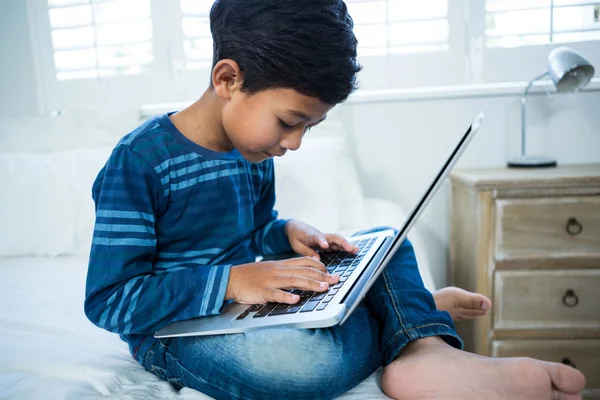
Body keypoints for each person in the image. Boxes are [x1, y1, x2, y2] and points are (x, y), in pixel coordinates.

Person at [84, 1, 586, 399]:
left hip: (244, 308)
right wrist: (234, 279)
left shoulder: (250, 150)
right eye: (289, 121)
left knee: (384, 241)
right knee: (307, 367)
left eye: (310, 126)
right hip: (175, 335)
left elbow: (254, 229)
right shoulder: (139, 163)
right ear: (228, 80)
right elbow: (109, 300)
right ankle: (409, 318)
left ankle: (425, 348)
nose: (295, 143)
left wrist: (284, 233)